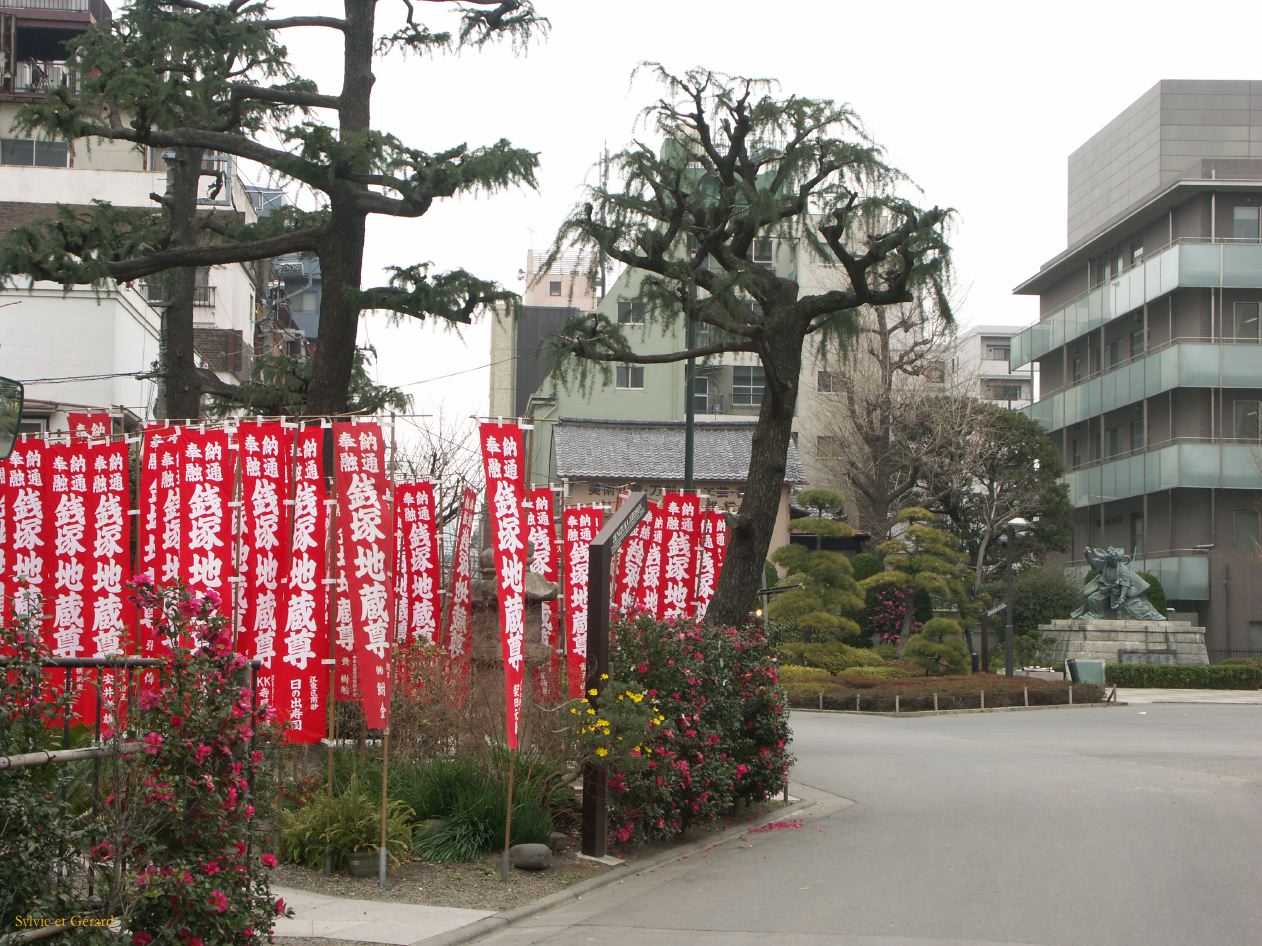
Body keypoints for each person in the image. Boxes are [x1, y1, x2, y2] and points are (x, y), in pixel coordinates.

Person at [1071, 546, 1165, 621]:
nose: (1113, 561)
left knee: (1136, 608)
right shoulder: (1105, 564)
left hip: (1119, 592)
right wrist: (1087, 555)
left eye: (1115, 560)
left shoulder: (1123, 569)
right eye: (1112, 559)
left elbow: (1125, 585)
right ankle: (1096, 615)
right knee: (1093, 598)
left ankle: (1153, 616)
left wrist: (1121, 598)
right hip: (1105, 590)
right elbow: (1093, 563)